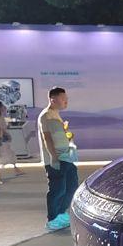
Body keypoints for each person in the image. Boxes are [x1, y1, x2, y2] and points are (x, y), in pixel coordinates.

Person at [39, 87, 78, 231]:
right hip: (57, 158)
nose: (66, 101)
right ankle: (52, 219)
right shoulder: (46, 115)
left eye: (66, 98)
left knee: (71, 187)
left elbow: (59, 136)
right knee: (57, 189)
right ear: (53, 99)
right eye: (63, 98)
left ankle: (61, 214)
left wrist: (68, 135)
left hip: (66, 157)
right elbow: (47, 138)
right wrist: (53, 157)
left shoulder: (56, 115)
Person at [0, 101, 25, 177]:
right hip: (1, 137)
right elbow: (1, 128)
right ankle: (15, 169)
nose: (4, 107)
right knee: (7, 153)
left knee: (6, 153)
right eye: (2, 106)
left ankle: (15, 169)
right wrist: (6, 134)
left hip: (0, 137)